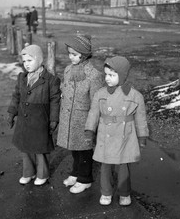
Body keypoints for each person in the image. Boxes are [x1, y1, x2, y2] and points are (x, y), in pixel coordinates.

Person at [85, 56, 149, 206]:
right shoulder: (100, 94)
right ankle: (106, 192)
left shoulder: (135, 96)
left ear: (123, 75)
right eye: (106, 74)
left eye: (112, 75)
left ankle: (124, 193)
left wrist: (142, 136)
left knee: (123, 167)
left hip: (125, 135)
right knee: (105, 166)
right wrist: (89, 130)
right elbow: (93, 113)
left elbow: (140, 118)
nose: (107, 78)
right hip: (105, 135)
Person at [7, 44, 61, 186]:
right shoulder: (22, 78)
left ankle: (42, 174)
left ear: (39, 60)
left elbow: (55, 101)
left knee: (40, 149)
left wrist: (54, 119)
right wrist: (11, 112)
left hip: (40, 120)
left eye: (29, 60)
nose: (26, 65)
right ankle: (28, 172)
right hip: (24, 121)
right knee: (25, 148)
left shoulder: (51, 80)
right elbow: (16, 96)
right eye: (24, 61)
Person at [57, 33, 104, 194]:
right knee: (74, 149)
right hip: (69, 118)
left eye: (75, 55)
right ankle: (76, 173)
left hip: (83, 119)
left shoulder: (94, 75)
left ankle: (85, 179)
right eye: (70, 53)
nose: (71, 57)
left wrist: (93, 125)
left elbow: (96, 102)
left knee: (84, 150)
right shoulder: (68, 69)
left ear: (84, 55)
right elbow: (65, 86)